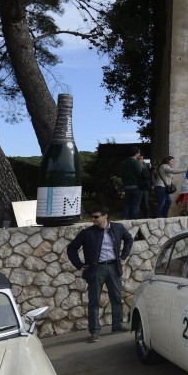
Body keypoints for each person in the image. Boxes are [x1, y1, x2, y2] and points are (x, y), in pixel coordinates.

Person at [67, 206, 133, 343]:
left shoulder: (118, 228)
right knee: (94, 301)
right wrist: (79, 265)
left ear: (105, 216)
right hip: (96, 269)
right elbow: (71, 248)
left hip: (114, 267)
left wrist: (124, 256)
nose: (93, 219)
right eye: (92, 217)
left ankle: (117, 326)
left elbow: (129, 239)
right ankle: (95, 331)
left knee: (116, 298)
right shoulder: (87, 233)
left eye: (96, 217)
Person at [119, 147, 144, 220]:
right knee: (135, 204)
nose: (139, 154)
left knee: (127, 203)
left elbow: (122, 175)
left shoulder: (124, 162)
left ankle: (125, 218)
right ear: (136, 153)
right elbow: (140, 174)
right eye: (139, 153)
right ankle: (134, 220)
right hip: (136, 186)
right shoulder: (136, 162)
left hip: (126, 186)